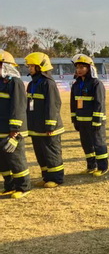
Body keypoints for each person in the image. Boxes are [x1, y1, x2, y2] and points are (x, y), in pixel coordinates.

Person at [25, 52, 64, 188]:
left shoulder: (48, 83)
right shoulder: (32, 84)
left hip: (48, 128)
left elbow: (53, 105)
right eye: (29, 66)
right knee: (41, 154)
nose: (29, 68)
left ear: (40, 66)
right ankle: (46, 177)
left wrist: (50, 125)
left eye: (32, 66)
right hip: (36, 127)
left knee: (52, 153)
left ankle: (56, 178)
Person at [70, 54, 109, 176]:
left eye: (82, 67)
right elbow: (73, 103)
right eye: (77, 67)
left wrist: (97, 120)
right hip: (82, 122)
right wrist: (74, 119)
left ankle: (102, 167)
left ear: (89, 68)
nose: (79, 70)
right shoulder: (76, 85)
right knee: (86, 145)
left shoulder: (96, 83)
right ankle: (91, 166)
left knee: (98, 144)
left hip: (94, 122)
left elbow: (99, 103)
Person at [0, 50, 31, 198]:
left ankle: (23, 187)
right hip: (1, 128)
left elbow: (18, 107)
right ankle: (9, 185)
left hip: (12, 131)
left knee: (16, 160)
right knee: (2, 161)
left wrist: (14, 129)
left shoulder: (15, 83)